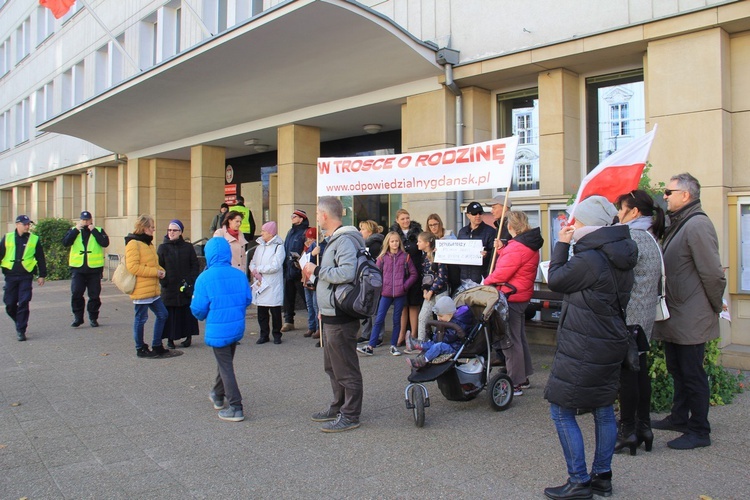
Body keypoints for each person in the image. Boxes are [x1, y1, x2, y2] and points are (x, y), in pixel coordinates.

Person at [544, 195, 637, 500]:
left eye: (578, 220)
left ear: (591, 224)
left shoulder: (591, 258)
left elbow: (556, 279)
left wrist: (561, 244)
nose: (574, 224)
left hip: (586, 343)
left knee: (561, 409)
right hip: (609, 339)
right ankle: (602, 477)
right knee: (603, 409)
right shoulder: (618, 252)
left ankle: (579, 481)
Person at [651, 173, 726, 451]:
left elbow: (713, 274)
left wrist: (715, 306)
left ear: (686, 195)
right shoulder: (680, 223)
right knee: (678, 369)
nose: (665, 196)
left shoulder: (697, 225)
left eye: (669, 192)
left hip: (691, 314)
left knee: (692, 373)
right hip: (679, 313)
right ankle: (680, 418)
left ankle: (699, 430)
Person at [304, 196, 364, 433]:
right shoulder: (333, 240)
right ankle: (338, 406)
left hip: (341, 316)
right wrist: (322, 310)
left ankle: (351, 414)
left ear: (325, 215)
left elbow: (347, 273)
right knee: (333, 366)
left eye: (318, 214)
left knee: (346, 367)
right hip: (331, 313)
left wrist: (316, 269)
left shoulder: (345, 240)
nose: (317, 218)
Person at [611, 189, 664, 455]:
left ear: (633, 211)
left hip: (629, 318)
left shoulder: (631, 237)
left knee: (628, 376)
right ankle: (644, 428)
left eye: (621, 209)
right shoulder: (651, 237)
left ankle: (628, 429)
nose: (618, 214)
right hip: (643, 319)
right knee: (640, 372)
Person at [191, 237, 253, 422]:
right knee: (224, 362)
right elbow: (247, 299)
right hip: (236, 326)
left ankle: (236, 406)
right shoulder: (239, 274)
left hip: (218, 328)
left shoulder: (204, 278)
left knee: (225, 365)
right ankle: (217, 394)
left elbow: (198, 309)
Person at [483, 211, 542, 396]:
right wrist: (503, 249)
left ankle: (515, 381)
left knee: (510, 341)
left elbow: (503, 272)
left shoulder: (517, 247)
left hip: (511, 297)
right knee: (519, 338)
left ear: (510, 227)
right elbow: (513, 263)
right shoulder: (527, 244)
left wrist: (485, 282)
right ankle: (522, 377)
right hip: (520, 296)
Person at [356, 231, 417, 357]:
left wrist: (405, 285)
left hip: (400, 293)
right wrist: (381, 286)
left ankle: (393, 346)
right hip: (385, 293)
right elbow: (376, 273)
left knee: (396, 320)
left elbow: (414, 274)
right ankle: (370, 346)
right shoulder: (382, 258)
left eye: (396, 241)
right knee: (379, 319)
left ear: (399, 242)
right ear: (388, 243)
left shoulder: (405, 257)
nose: (394, 243)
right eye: (392, 241)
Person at [125, 215, 173, 358]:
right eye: (152, 227)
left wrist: (161, 271)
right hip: (141, 289)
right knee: (141, 318)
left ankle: (157, 344)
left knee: (163, 314)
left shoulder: (148, 244)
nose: (153, 230)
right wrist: (155, 272)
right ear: (144, 228)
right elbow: (133, 267)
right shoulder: (133, 243)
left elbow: (154, 263)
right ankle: (140, 347)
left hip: (152, 289)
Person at [1, 215, 47, 341]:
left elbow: (40, 258)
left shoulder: (34, 239)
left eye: (28, 224)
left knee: (24, 302)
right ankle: (19, 320)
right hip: (10, 275)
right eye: (25, 224)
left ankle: (21, 330)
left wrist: (42, 275)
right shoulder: (7, 238)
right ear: (17, 224)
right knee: (9, 303)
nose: (27, 226)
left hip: (25, 275)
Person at [62, 210, 109, 328]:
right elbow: (65, 242)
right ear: (80, 220)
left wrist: (93, 231)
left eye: (87, 220)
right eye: (83, 220)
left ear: (91, 220)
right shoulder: (74, 231)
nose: (85, 222)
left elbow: (105, 243)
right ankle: (78, 317)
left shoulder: (98, 230)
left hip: (94, 269)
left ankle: (93, 318)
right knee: (77, 293)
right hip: (78, 269)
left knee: (94, 295)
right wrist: (76, 230)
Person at [157, 219, 200, 349]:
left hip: (185, 286)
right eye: (169, 230)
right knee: (170, 314)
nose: (171, 232)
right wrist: (163, 281)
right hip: (169, 287)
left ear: (180, 232)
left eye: (174, 230)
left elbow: (194, 265)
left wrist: (190, 280)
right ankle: (170, 339)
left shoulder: (187, 247)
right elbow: (159, 266)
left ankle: (188, 337)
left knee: (186, 312)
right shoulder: (163, 247)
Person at [405, 295, 475, 368]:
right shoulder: (450, 319)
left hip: (455, 347)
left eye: (441, 316)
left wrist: (437, 336)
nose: (439, 319)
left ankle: (423, 360)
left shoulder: (459, 323)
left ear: (450, 313)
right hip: (448, 343)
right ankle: (416, 345)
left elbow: (449, 338)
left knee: (438, 346)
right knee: (432, 343)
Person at [389, 209, 423, 346]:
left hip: (415, 272)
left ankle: (413, 335)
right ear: (397, 220)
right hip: (400, 273)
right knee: (402, 305)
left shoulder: (417, 232)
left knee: (414, 304)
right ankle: (402, 334)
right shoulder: (393, 234)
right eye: (402, 219)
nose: (405, 221)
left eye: (407, 218)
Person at [249, 221, 285, 345]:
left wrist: (258, 269)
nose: (261, 233)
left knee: (275, 311)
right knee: (262, 311)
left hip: (272, 283)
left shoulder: (278, 247)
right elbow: (253, 261)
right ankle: (264, 334)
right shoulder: (260, 246)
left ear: (270, 233)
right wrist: (253, 270)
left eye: (264, 231)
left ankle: (277, 334)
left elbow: (275, 266)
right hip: (261, 283)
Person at [415, 231, 450, 342]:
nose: (417, 244)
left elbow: (442, 276)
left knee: (441, 318)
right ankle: (421, 342)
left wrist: (432, 291)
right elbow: (425, 276)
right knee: (423, 316)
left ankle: (439, 341)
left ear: (427, 243)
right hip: (429, 292)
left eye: (420, 241)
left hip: (440, 291)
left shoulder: (438, 255)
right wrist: (425, 290)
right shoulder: (425, 257)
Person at [281, 209, 310, 333]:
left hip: (299, 270)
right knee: (288, 297)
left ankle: (313, 322)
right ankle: (289, 321)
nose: (292, 218)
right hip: (289, 269)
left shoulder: (305, 232)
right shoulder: (290, 232)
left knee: (306, 298)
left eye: (294, 216)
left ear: (301, 218)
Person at [356, 220, 384, 343]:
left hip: (374, 279)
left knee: (375, 308)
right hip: (367, 278)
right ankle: (367, 333)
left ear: (370, 231)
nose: (360, 231)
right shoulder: (364, 244)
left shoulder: (375, 245)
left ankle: (377, 335)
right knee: (367, 306)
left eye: (362, 229)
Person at [457, 201, 496, 285]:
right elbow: (457, 251)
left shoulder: (490, 232)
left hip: (481, 278)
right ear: (468, 215)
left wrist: (486, 255)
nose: (478, 216)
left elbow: (495, 255)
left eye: (480, 213)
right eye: (474, 213)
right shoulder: (462, 232)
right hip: (463, 278)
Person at [302, 227, 320, 339]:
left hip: (314, 279)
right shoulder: (307, 249)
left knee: (315, 304)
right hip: (306, 279)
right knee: (309, 304)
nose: (309, 241)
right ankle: (311, 326)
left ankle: (318, 327)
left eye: (312, 239)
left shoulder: (317, 247)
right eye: (308, 239)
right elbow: (304, 261)